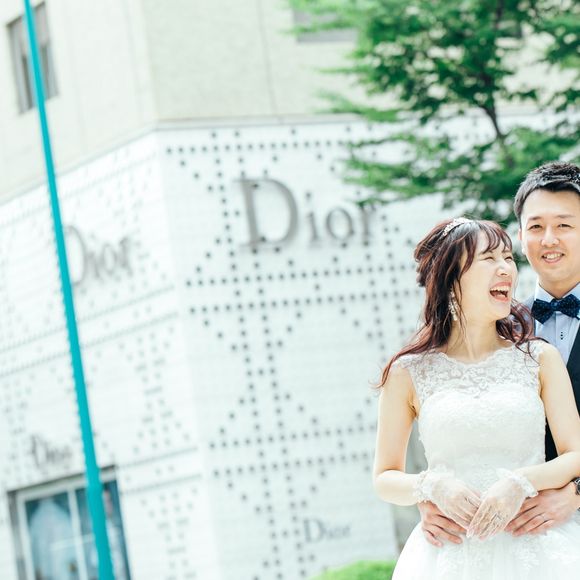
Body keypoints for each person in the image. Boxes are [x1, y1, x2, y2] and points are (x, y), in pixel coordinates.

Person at [373, 217, 580, 579]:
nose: (506, 269)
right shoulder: (407, 372)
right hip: (449, 554)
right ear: (451, 278)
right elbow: (385, 478)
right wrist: (432, 486)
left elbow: (576, 454)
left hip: (538, 547)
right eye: (489, 259)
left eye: (508, 258)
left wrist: (520, 482)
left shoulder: (539, 358)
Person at [418, 162, 580, 546]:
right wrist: (430, 494)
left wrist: (576, 495)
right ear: (520, 236)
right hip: (509, 537)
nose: (549, 239)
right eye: (536, 227)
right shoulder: (497, 327)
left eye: (564, 225)